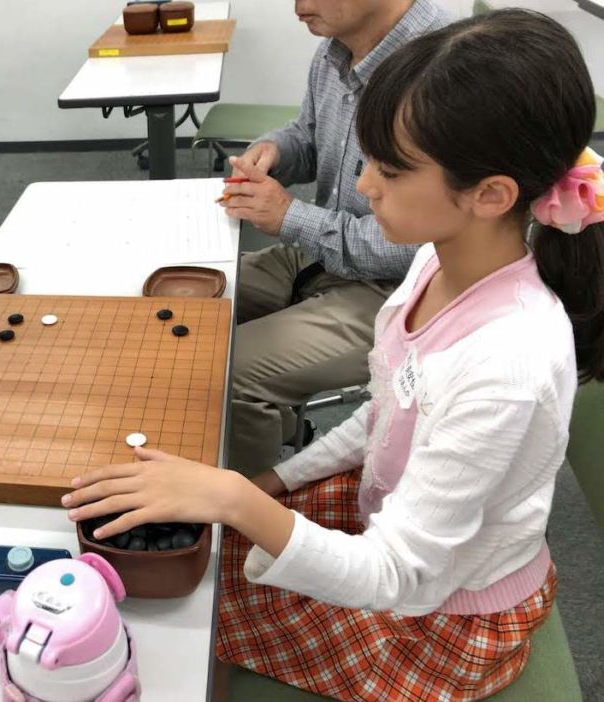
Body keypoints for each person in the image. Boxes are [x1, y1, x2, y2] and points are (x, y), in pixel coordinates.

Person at [63, 9, 604, 699]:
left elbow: (398, 576)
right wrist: (275, 485)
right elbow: (386, 412)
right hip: (399, 523)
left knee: (180, 625)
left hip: (440, 619)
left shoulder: (509, 363)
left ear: (490, 195)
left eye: (391, 168)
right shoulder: (435, 267)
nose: (363, 185)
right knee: (202, 565)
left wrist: (235, 494)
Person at [219, 0, 449, 475]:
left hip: (398, 294)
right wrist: (274, 152)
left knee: (231, 372)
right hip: (325, 252)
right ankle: (268, 430)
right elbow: (308, 134)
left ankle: (249, 520)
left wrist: (291, 217)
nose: (299, 7)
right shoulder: (336, 48)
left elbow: (417, 246)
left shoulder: (441, 73)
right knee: (196, 293)